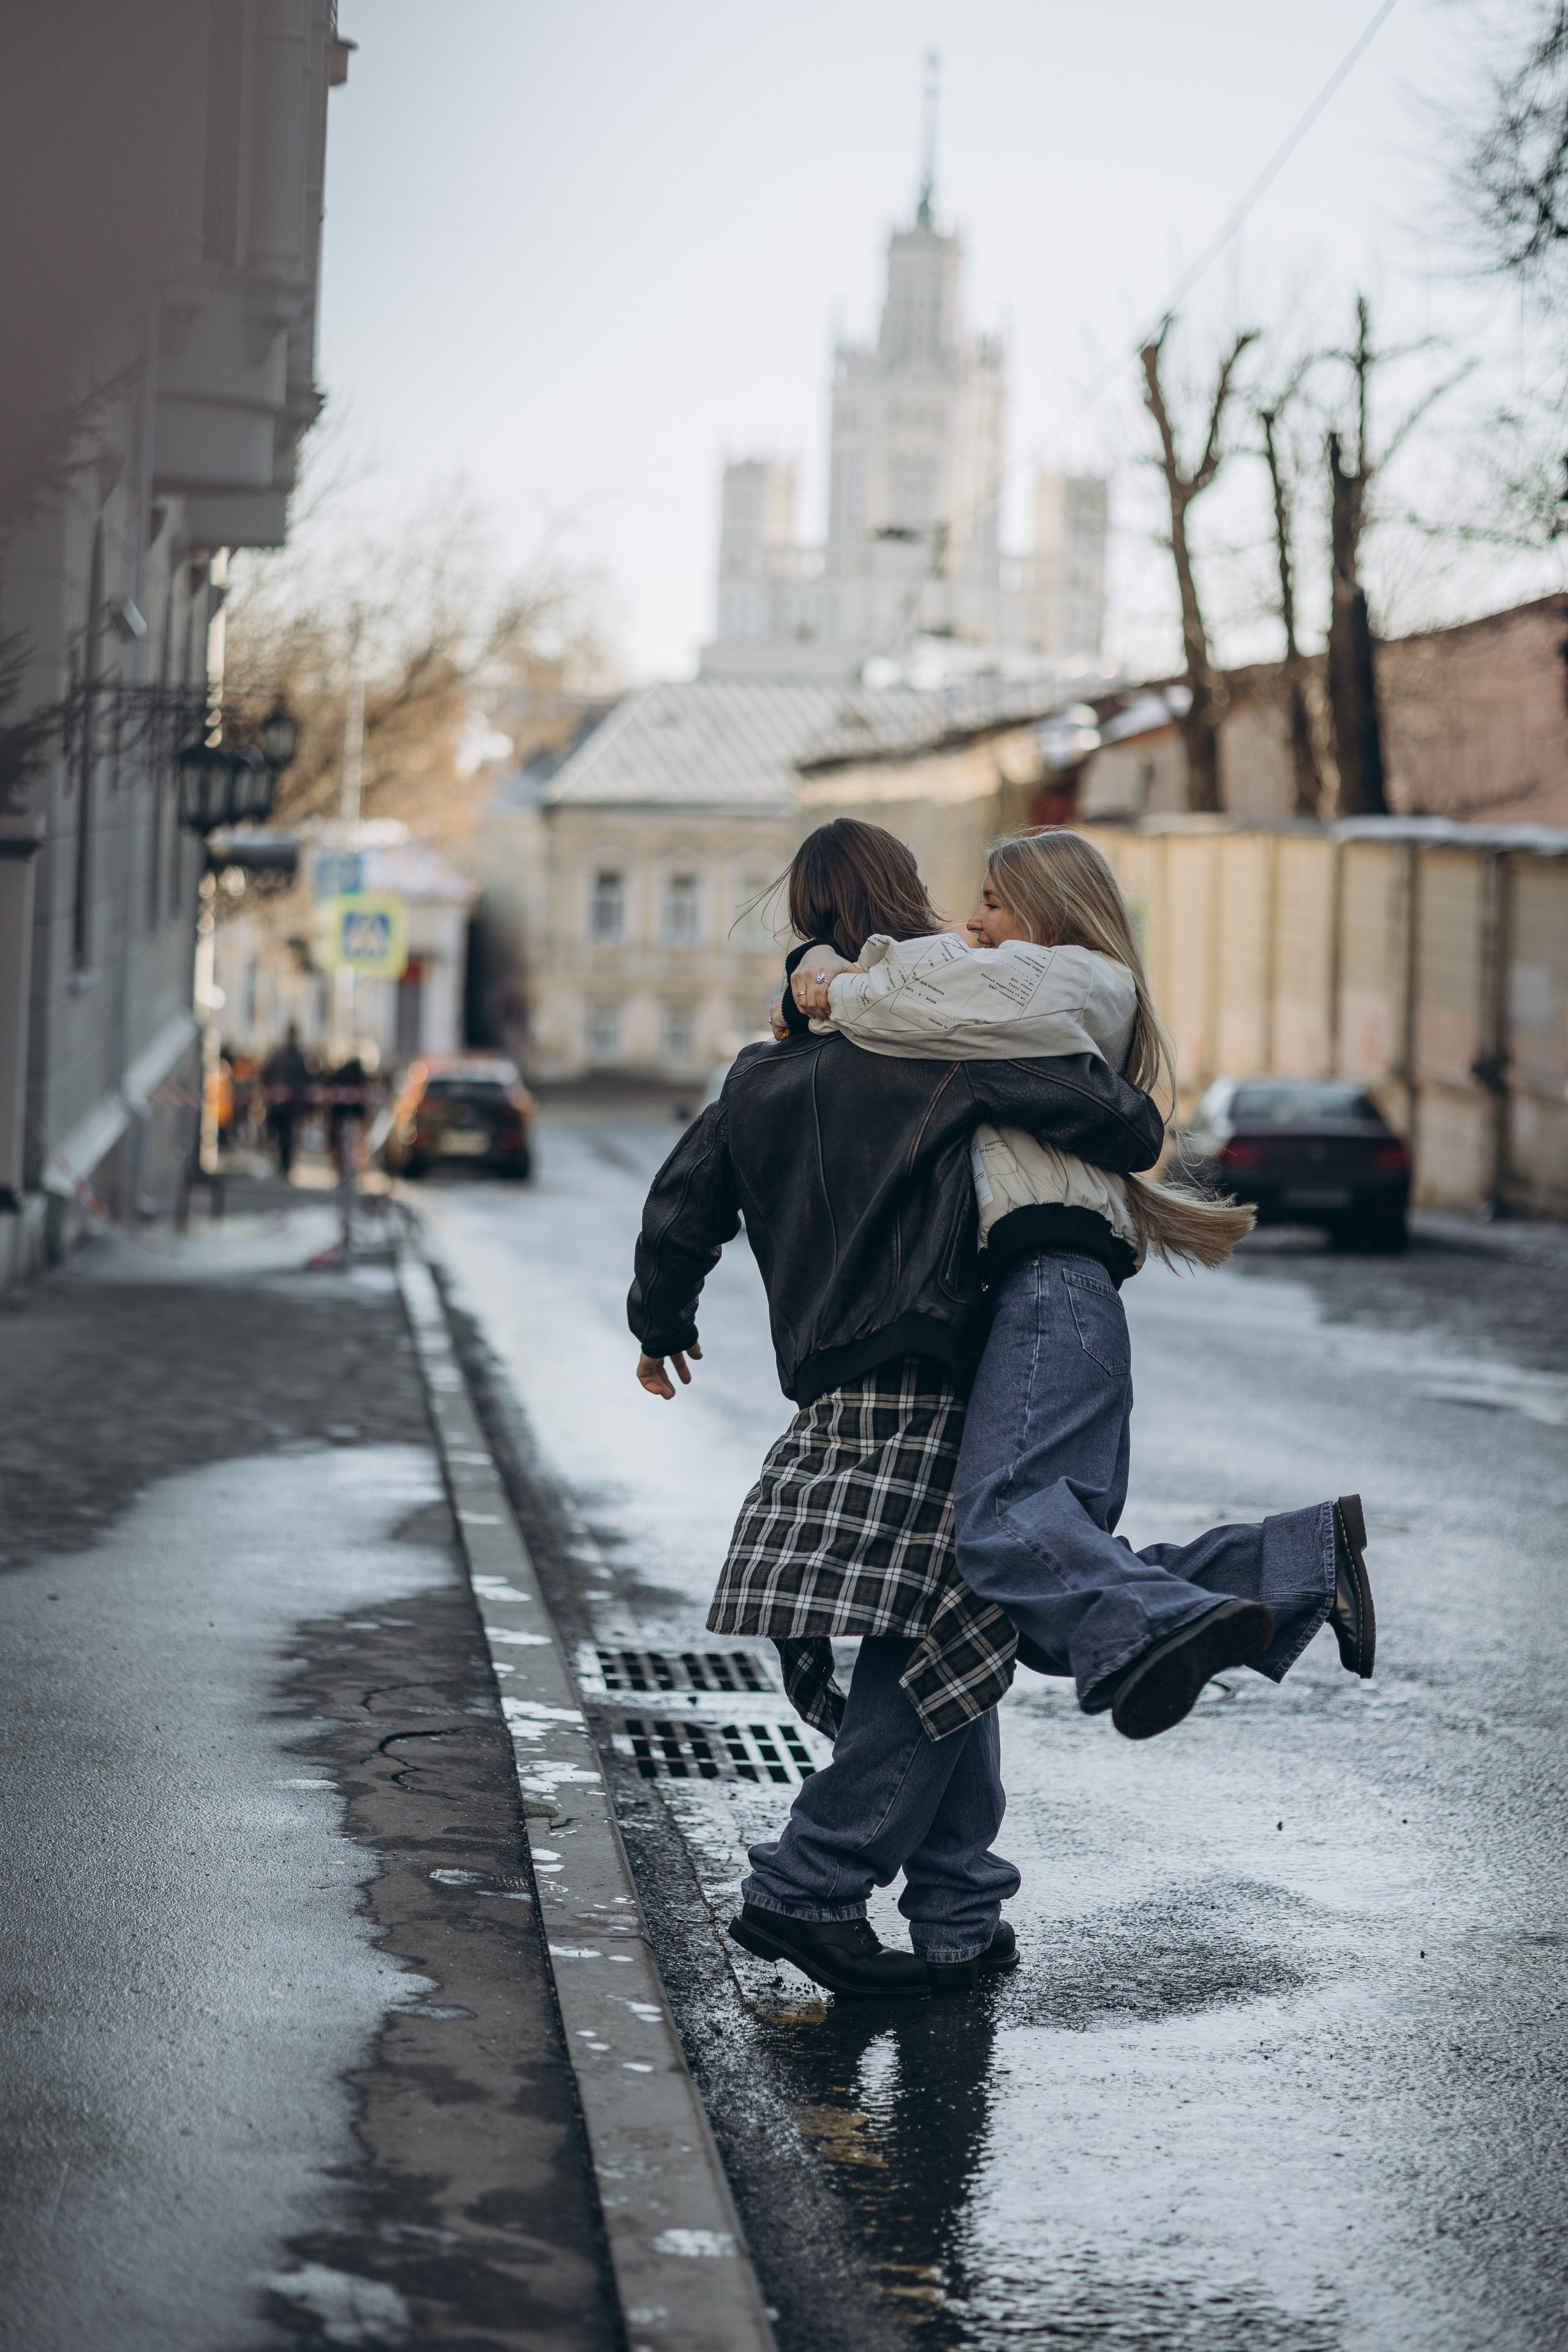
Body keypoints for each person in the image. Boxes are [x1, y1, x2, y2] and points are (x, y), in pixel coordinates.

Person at [628, 819, 1165, 2002]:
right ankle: (811, 1889)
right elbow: (1117, 1120)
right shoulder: (936, 1051)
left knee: (942, 1632)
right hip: (936, 1366)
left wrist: (659, 1322)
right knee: (943, 1640)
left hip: (828, 1383)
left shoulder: (760, 1078)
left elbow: (683, 1205)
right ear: (902, 905)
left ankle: (961, 1915)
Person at [790, 826, 1376, 1749]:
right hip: (1044, 1303)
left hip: (1050, 1293)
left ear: (1050, 906)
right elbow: (927, 989)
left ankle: (1167, 1624)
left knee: (1005, 1532)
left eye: (991, 901)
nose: (974, 923)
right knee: (1024, 1580)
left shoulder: (1075, 982)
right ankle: (1288, 1565)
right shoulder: (1018, 998)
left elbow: (920, 1004)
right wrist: (823, 968)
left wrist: (837, 986)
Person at [260, 1024, 311, 1179]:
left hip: (279, 1101)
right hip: (292, 1103)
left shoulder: (279, 1052)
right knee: (287, 1134)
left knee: (278, 1132)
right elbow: (307, 1078)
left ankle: (281, 1163)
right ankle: (285, 1164)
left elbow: (266, 1072)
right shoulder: (300, 1055)